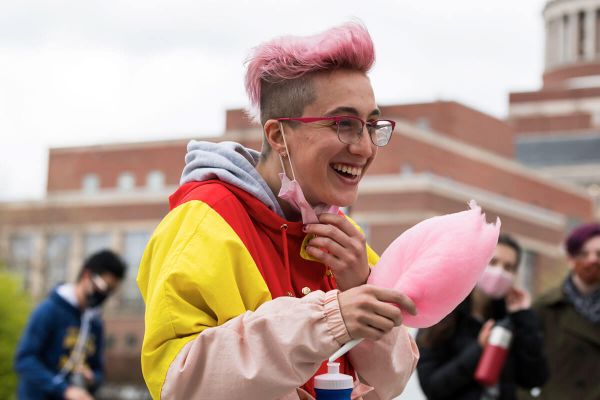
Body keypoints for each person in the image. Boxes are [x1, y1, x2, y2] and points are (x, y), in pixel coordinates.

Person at [137, 22, 419, 400]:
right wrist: (327, 319)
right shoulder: (203, 220)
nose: (366, 148)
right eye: (344, 124)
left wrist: (362, 283)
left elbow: (393, 382)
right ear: (277, 135)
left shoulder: (345, 236)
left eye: (371, 125)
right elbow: (178, 382)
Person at [416, 234, 549, 400]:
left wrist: (523, 317)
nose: (499, 272)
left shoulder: (511, 319)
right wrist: (479, 349)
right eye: (493, 262)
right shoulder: (443, 314)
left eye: (508, 267)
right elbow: (432, 387)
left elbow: (535, 378)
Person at [14, 249, 126, 400]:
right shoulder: (49, 310)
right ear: (87, 275)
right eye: (103, 287)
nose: (104, 295)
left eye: (111, 291)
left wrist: (91, 378)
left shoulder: (95, 323)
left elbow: (99, 370)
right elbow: (25, 360)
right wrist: (63, 389)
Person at [524, 223, 600, 400]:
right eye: (584, 254)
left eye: (599, 254)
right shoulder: (545, 307)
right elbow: (523, 364)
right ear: (571, 260)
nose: (592, 260)